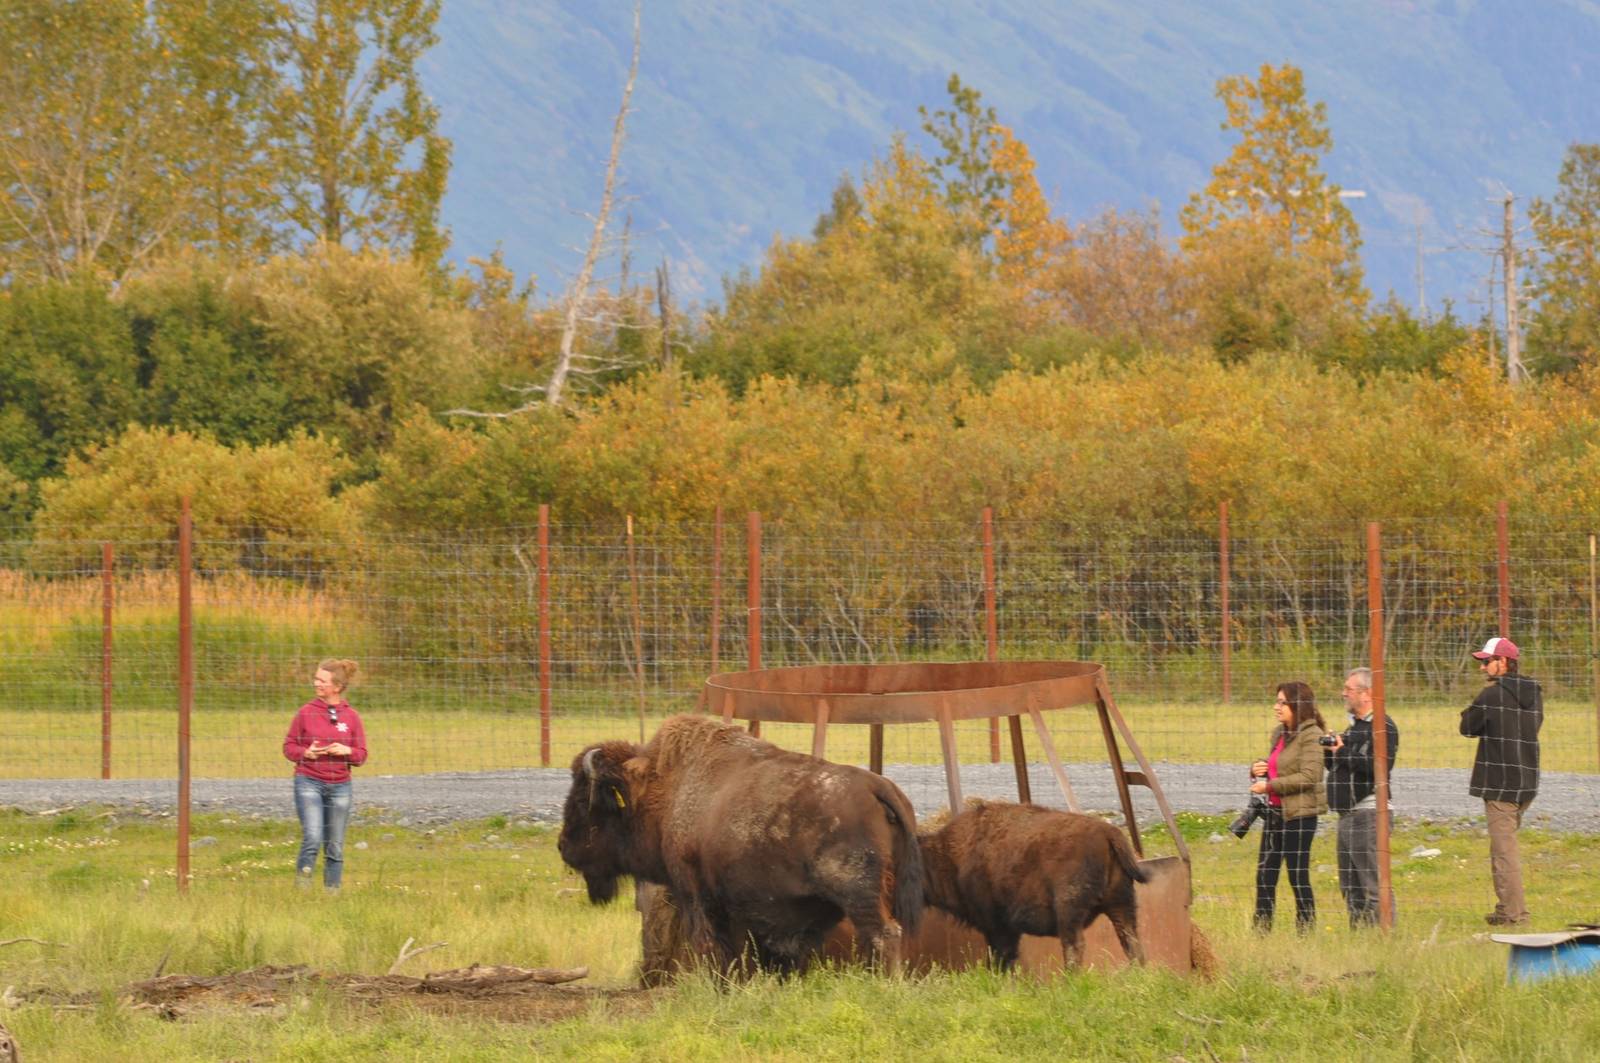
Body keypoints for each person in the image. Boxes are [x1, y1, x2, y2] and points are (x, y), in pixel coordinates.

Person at [1460, 636, 1542, 926]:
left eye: (1486, 662)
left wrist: (1480, 701)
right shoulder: (1534, 691)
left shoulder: (1491, 695)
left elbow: (1467, 727)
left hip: (1500, 784)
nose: (1482, 668)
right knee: (1501, 848)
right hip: (1527, 780)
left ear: (1503, 662)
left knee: (1504, 852)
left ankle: (1516, 916)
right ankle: (1505, 907)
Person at [1249, 681, 1328, 933]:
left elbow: (1310, 776)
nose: (1276, 707)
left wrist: (1270, 786)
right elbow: (1277, 766)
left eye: (1282, 702)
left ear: (1298, 705)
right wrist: (1258, 769)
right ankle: (1261, 931)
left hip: (1300, 816)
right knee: (1264, 876)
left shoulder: (1313, 735)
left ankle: (1305, 931)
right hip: (1275, 814)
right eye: (1276, 701)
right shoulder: (1279, 733)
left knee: (1297, 875)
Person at [283, 658, 368, 890]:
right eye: (316, 679)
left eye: (322, 680)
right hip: (308, 781)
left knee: (335, 844)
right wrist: (306, 753)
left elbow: (361, 755)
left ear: (337, 687)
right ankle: (302, 889)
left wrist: (346, 750)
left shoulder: (352, 717)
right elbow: (289, 747)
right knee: (312, 837)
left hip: (341, 786)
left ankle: (332, 892)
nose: (316, 683)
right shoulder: (305, 713)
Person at [1325, 667, 1399, 928]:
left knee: (1372, 884)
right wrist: (1331, 752)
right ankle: (1360, 940)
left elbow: (1377, 766)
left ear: (1366, 693)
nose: (1343, 693)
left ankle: (1384, 938)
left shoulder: (1382, 726)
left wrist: (1343, 752)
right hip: (1348, 814)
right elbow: (1345, 767)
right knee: (1350, 886)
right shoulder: (1354, 728)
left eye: (1348, 689)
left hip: (1369, 813)